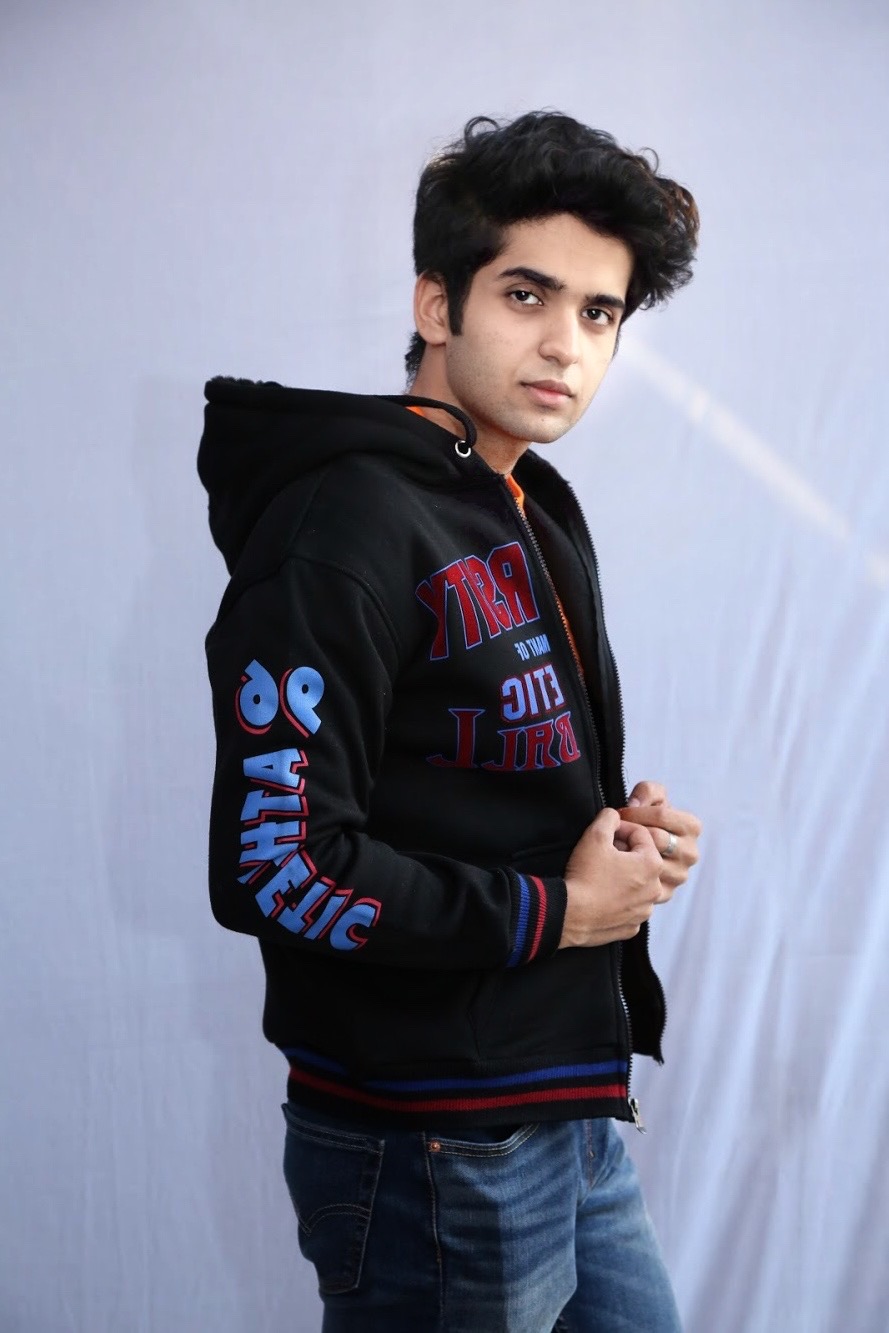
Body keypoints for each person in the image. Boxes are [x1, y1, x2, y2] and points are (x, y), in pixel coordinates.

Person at [199, 110, 702, 1332]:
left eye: (599, 312)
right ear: (438, 304)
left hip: (564, 1104)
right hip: (432, 1139)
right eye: (527, 295)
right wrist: (556, 909)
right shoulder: (343, 528)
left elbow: (474, 775)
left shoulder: (533, 504)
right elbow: (279, 866)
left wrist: (612, 840)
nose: (565, 343)